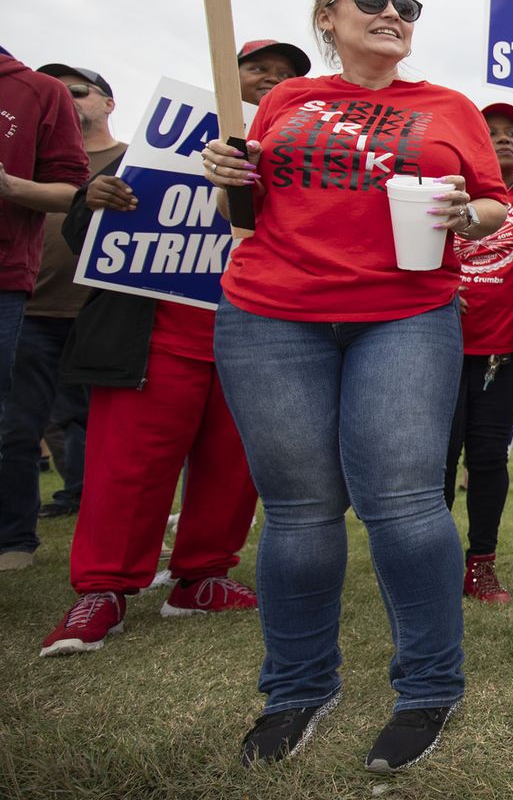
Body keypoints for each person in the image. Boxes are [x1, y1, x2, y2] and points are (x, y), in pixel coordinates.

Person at [201, 0, 512, 771]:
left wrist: (465, 214)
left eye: (407, 4)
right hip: (272, 313)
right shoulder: (286, 101)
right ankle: (298, 688)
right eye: (371, 0)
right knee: (299, 511)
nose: (393, 13)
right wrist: (228, 173)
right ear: (328, 19)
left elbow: (491, 204)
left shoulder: (449, 108)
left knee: (406, 504)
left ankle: (428, 687)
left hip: (404, 314)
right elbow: (250, 203)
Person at [40, 40, 308, 655]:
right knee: (128, 468)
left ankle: (202, 578)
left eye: (285, 76)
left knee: (234, 468)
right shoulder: (163, 143)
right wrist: (92, 200)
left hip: (251, 337)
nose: (269, 82)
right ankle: (103, 590)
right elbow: (90, 233)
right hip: (155, 338)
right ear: (226, 77)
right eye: (257, 71)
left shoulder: (303, 155)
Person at [0, 64, 121, 561]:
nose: (69, 99)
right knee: (19, 425)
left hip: (98, 313)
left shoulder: (131, 161)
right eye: (62, 92)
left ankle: (113, 536)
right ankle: (13, 540)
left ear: (109, 103)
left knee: (107, 429)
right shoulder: (26, 157)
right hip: (35, 308)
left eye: (80, 91)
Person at [441, 101, 513, 604]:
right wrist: (435, 292)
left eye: (511, 133)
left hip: (504, 352)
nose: (503, 139)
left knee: (487, 459)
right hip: (439, 347)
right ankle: (432, 565)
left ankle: (480, 564)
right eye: (491, 131)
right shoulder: (447, 187)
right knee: (439, 459)